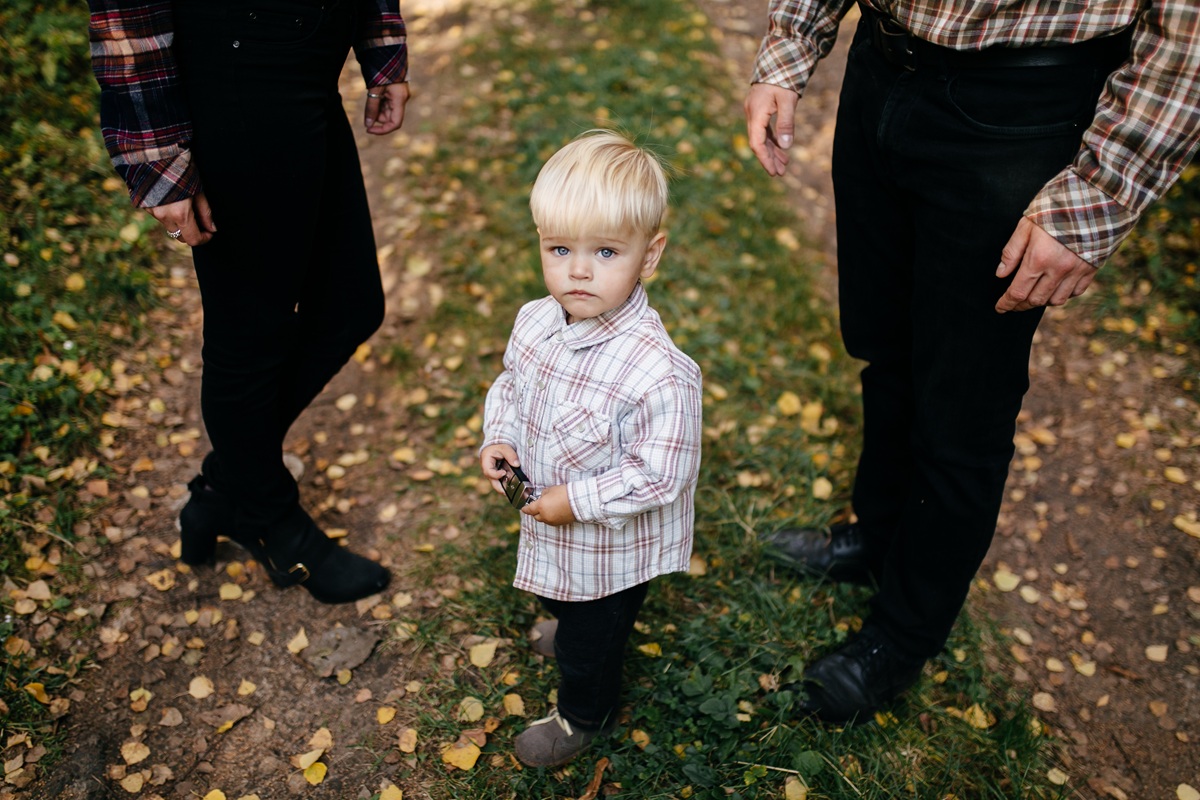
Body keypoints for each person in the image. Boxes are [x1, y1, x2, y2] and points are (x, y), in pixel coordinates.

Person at [745, 0, 1200, 723]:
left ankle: (902, 634)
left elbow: (1189, 27)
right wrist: (792, 44)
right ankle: (881, 533)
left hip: (1019, 108)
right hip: (882, 68)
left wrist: (1103, 192)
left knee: (962, 406)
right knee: (882, 345)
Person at [88, 0, 412, 604]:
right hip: (239, 73)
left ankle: (227, 489)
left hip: (309, 74)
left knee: (352, 305)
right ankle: (271, 520)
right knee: (250, 336)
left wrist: (381, 45)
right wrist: (159, 160)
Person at [479, 131, 703, 767]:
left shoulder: (658, 373)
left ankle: (584, 713)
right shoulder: (537, 319)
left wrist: (576, 500)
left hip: (611, 553)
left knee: (591, 641)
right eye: (560, 249)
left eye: (605, 251)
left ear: (649, 255)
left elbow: (663, 474)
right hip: (553, 526)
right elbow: (512, 386)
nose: (578, 270)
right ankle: (566, 622)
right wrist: (501, 435)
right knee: (562, 601)